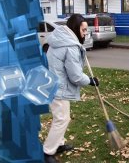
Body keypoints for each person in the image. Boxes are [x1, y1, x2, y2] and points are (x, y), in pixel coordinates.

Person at [43, 14, 99, 163]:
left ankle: (59, 144)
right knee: (62, 119)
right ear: (75, 28)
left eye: (86, 30)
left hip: (53, 83)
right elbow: (75, 76)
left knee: (61, 117)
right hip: (58, 87)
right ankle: (48, 152)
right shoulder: (70, 46)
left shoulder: (60, 37)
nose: (85, 33)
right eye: (84, 30)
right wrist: (91, 81)